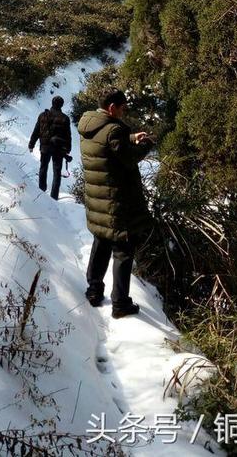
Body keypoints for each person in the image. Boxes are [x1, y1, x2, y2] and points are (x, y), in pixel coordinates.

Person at [77, 86, 154, 318]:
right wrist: (146, 144)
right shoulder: (113, 131)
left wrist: (130, 137)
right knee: (123, 250)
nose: (123, 112)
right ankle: (120, 303)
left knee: (101, 242)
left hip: (97, 200)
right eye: (122, 109)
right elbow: (128, 158)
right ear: (112, 108)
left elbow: (107, 143)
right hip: (116, 202)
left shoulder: (88, 124)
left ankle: (93, 290)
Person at [28, 95, 72, 200]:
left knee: (43, 168)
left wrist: (31, 144)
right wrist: (68, 149)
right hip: (58, 148)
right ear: (62, 105)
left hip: (45, 147)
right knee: (57, 172)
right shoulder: (65, 118)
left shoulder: (42, 115)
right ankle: (54, 196)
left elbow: (36, 131)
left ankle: (41, 191)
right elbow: (68, 135)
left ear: (52, 103)